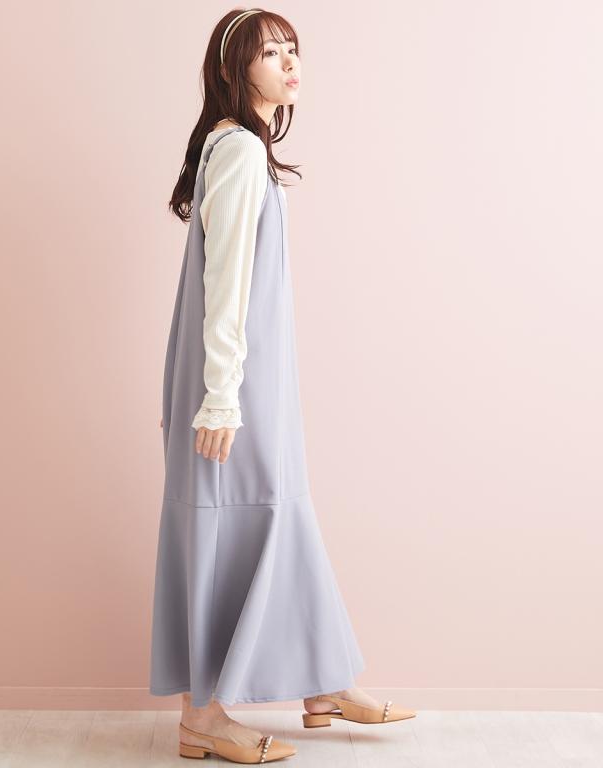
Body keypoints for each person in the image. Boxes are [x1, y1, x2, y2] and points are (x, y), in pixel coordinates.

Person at [149, 8, 417, 763]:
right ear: (236, 70)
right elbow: (226, 285)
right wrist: (221, 396)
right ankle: (202, 720)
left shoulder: (241, 147)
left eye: (292, 47)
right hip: (234, 378)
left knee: (280, 514)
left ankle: (322, 682)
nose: (290, 62)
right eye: (271, 51)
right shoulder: (237, 150)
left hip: (255, 374)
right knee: (221, 527)